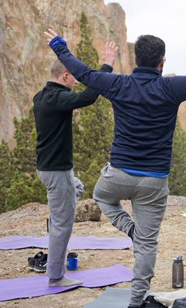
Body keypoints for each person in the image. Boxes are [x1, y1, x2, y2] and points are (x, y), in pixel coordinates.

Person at [44, 27, 186, 308]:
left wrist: (58, 45)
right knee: (147, 244)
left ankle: (130, 230)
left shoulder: (117, 84)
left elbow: (81, 71)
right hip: (153, 182)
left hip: (118, 176)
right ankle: (136, 303)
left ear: (136, 60)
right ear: (162, 62)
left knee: (100, 196)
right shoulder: (171, 88)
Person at [33, 41, 118, 287]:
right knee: (63, 225)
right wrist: (107, 65)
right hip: (56, 170)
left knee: (75, 189)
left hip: (49, 169)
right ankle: (56, 277)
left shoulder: (41, 96)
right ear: (66, 75)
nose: (77, 82)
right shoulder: (58, 98)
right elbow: (90, 96)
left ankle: (56, 221)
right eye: (74, 78)